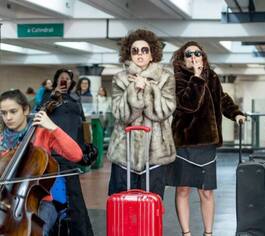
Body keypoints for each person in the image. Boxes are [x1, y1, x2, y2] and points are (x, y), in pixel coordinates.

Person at [167, 41, 246, 236]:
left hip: (206, 144)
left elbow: (222, 98)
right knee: (183, 190)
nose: (193, 56)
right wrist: (195, 77)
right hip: (184, 143)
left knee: (207, 191)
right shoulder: (177, 80)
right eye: (188, 54)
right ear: (182, 59)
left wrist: (236, 113)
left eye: (197, 53)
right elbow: (188, 105)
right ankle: (186, 233)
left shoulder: (212, 77)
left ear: (203, 56)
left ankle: (208, 233)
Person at [0, 89, 83, 235]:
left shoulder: (42, 133)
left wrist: (53, 128)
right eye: (3, 113)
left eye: (13, 111)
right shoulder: (1, 140)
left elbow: (76, 155)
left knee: (33, 232)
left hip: (39, 202)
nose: (8, 117)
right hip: (4, 200)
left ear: (25, 109)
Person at [107, 29, 176, 198]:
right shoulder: (119, 79)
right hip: (124, 153)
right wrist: (133, 90)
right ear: (129, 55)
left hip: (155, 154)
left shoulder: (166, 78)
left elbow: (164, 111)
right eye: (135, 50)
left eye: (145, 50)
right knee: (123, 204)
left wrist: (147, 90)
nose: (140, 54)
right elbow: (119, 113)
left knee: (152, 205)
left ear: (152, 54)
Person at [41, 68, 94, 236]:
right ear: (56, 80)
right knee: (55, 196)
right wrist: (55, 94)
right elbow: (41, 115)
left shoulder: (75, 99)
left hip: (71, 150)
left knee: (74, 196)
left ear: (71, 82)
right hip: (54, 150)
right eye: (62, 78)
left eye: (68, 79)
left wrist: (86, 144)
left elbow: (82, 122)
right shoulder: (49, 97)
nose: (65, 81)